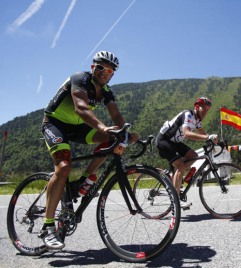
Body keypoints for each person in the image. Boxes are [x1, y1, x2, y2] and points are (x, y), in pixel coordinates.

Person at [40, 51, 138, 250]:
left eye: (109, 70)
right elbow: (81, 108)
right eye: (100, 67)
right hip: (55, 124)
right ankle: (47, 227)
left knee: (113, 139)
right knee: (64, 167)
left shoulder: (107, 91)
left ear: (112, 74)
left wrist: (125, 135)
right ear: (93, 67)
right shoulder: (80, 79)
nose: (104, 72)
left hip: (78, 128)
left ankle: (84, 179)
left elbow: (116, 114)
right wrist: (103, 127)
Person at [156, 97, 219, 209]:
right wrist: (208, 137)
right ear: (196, 107)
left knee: (194, 156)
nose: (205, 111)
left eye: (207, 109)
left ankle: (177, 175)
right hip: (164, 140)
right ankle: (176, 200)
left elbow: (202, 133)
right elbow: (187, 134)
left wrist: (213, 142)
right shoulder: (188, 115)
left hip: (175, 142)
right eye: (203, 108)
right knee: (181, 166)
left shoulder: (198, 120)